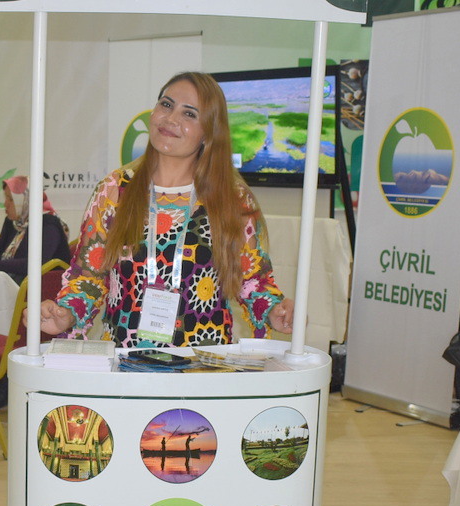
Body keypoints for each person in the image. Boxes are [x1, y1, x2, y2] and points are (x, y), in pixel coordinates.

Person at [40, 71, 294, 347]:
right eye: (166, 104)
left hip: (204, 362)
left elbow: (252, 281)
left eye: (189, 114)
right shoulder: (114, 191)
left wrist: (274, 311)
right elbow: (88, 277)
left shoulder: (232, 199)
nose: (171, 119)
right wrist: (67, 313)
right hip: (126, 358)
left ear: (209, 132)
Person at [0, 175, 71, 284]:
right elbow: (0, 260)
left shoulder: (48, 224)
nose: (5, 204)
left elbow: (36, 264)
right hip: (13, 282)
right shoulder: (12, 222)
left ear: (26, 200)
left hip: (42, 287)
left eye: (10, 199)